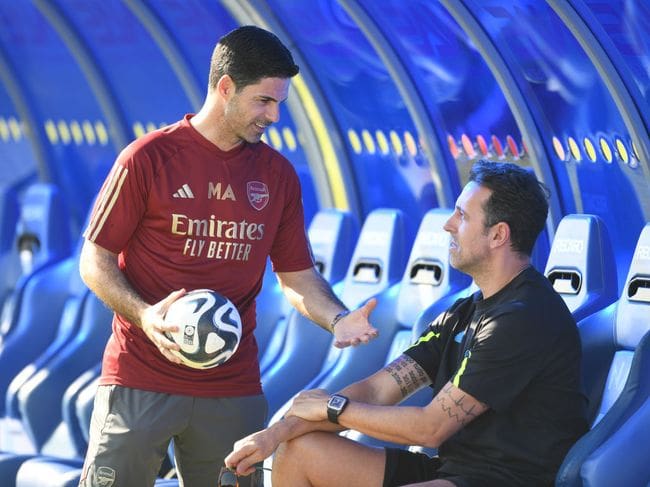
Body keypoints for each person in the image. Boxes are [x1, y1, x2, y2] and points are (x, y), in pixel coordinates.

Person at [78, 25, 378, 487]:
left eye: (280, 103)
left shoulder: (278, 175)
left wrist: (338, 319)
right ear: (225, 88)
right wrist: (145, 316)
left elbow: (297, 276)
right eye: (264, 101)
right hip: (140, 375)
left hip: (232, 388)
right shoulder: (147, 158)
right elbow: (94, 260)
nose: (275, 116)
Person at [225, 160, 589, 487]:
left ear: (498, 235)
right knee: (298, 450)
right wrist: (275, 433)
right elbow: (377, 391)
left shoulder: (523, 317)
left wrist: (332, 407)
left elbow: (431, 428)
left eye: (462, 216)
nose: (448, 225)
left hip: (509, 481)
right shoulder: (464, 311)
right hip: (453, 470)